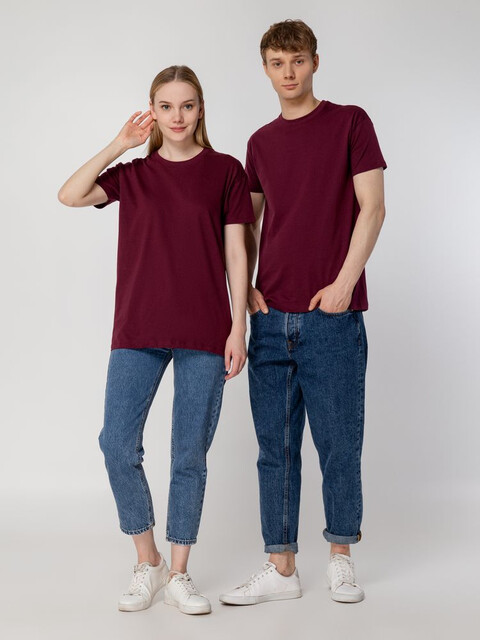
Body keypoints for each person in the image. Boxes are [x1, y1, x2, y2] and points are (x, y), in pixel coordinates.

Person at [58, 65, 255, 615]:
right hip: (138, 328)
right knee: (116, 444)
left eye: (187, 105)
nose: (177, 116)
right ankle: (149, 562)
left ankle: (181, 573)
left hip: (205, 329)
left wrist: (238, 325)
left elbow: (237, 252)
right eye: (166, 106)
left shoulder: (225, 171)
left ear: (200, 109)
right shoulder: (134, 174)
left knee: (189, 453)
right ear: (152, 111)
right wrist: (119, 143)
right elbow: (69, 195)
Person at [219, 19, 387, 606]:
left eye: (297, 61)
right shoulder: (260, 142)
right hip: (270, 319)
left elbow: (373, 208)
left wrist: (344, 284)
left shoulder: (350, 122)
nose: (288, 73)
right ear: (265, 69)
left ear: (315, 61)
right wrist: (246, 291)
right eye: (276, 63)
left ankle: (341, 558)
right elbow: (246, 224)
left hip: (332, 317)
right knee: (276, 450)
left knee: (339, 445)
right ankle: (282, 568)